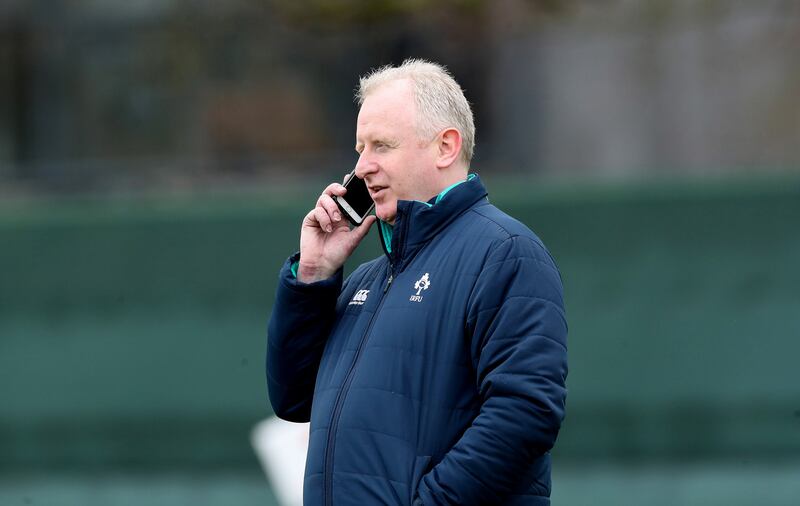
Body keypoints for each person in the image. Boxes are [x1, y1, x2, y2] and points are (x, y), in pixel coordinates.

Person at [266, 59, 568, 505]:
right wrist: (313, 276)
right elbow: (291, 399)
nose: (362, 167)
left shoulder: (506, 251)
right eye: (359, 148)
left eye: (382, 146)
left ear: (446, 146)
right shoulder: (367, 279)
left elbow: (525, 413)